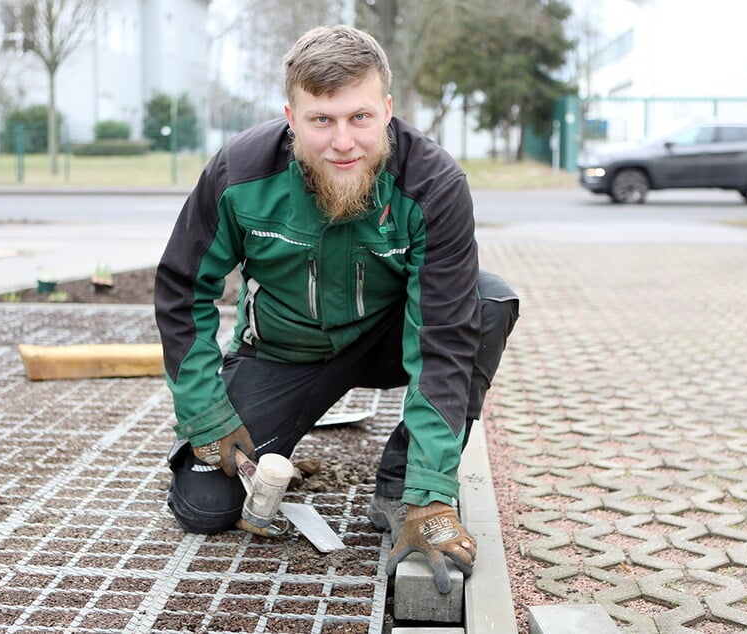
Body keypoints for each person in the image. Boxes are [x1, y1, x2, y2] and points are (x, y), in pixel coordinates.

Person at [153, 24, 518, 593]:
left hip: (389, 341)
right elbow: (182, 288)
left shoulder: (433, 182)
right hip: (284, 350)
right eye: (321, 120)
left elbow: (444, 339)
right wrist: (204, 413)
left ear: (387, 110)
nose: (343, 141)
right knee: (204, 507)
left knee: (486, 299)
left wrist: (432, 491)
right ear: (291, 117)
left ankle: (403, 487)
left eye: (360, 118)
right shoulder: (238, 174)